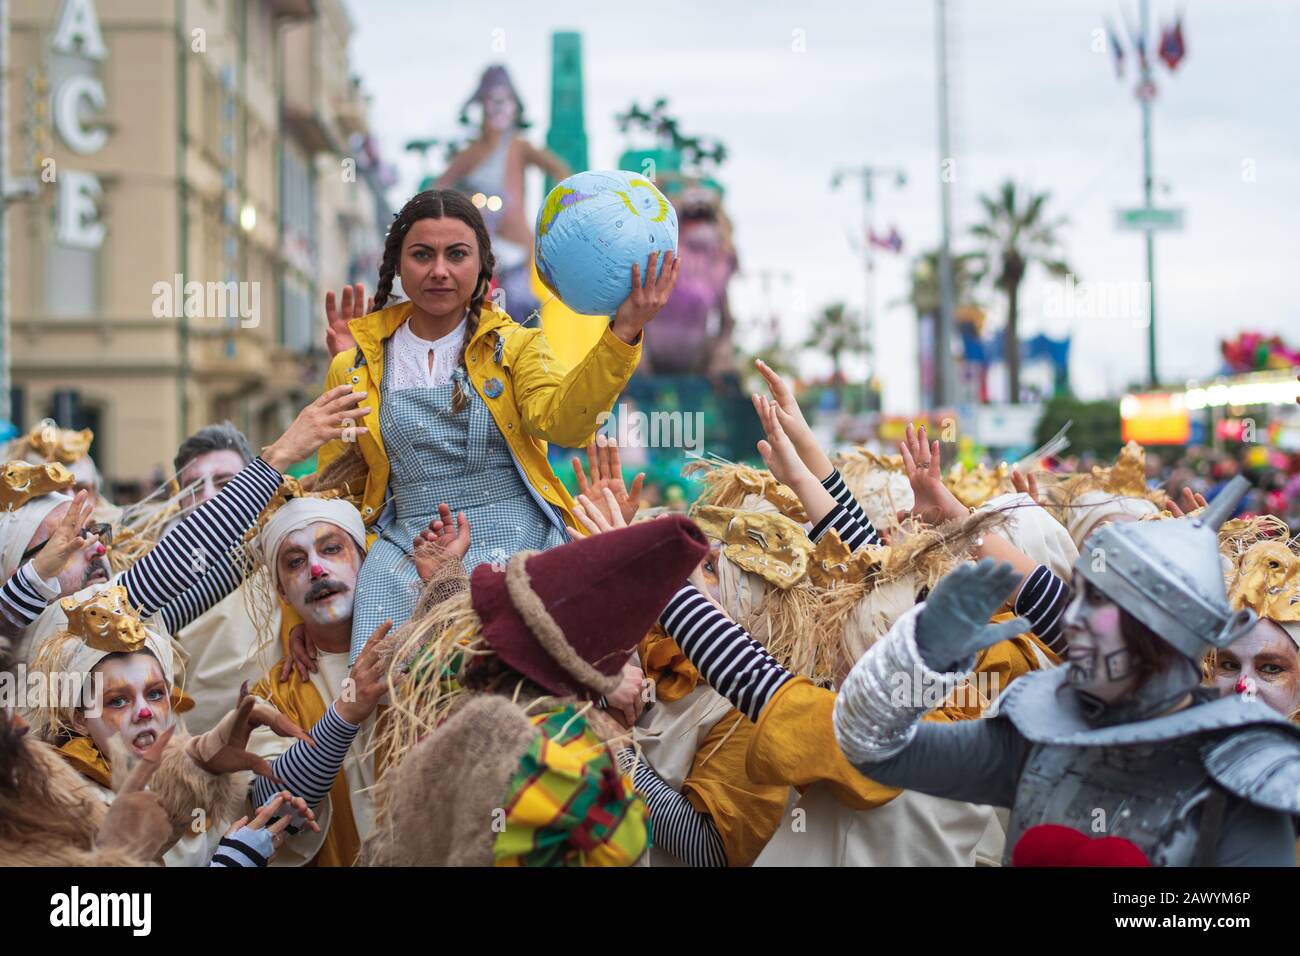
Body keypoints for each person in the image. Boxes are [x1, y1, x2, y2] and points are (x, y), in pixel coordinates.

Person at [834, 477, 1300, 866]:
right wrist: (920, 650)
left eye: (1272, 668)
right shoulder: (1037, 738)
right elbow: (869, 749)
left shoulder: (1254, 783)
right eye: (1078, 599)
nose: (1073, 619)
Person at [317, 188, 678, 663]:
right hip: (405, 558)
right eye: (422, 254)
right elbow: (332, 496)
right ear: (398, 266)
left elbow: (566, 425)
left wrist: (624, 331)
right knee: (386, 697)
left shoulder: (520, 346)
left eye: (457, 254)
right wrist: (318, 627)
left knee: (561, 687)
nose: (439, 270)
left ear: (482, 266)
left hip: (523, 549)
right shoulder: (353, 366)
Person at [363, 513, 708, 866]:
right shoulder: (573, 756)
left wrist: (445, 579)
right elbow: (628, 840)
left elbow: (455, 650)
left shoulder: (461, 693)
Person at [27, 585, 315, 866]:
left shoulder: (195, 773)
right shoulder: (65, 809)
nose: (143, 712)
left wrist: (278, 818)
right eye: (117, 701)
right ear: (80, 719)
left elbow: (231, 836)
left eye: (154, 694)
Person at [240, 489, 401, 866]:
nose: (316, 569)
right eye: (295, 562)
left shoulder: (425, 654)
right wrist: (345, 713)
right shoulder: (274, 694)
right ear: (282, 591)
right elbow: (271, 805)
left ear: (365, 559)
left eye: (331, 550)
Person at [168, 423, 280, 735]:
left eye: (224, 483)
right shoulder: (152, 577)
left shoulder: (283, 562)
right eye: (193, 488)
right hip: (186, 759)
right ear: (178, 502)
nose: (209, 498)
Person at [436, 65, 571, 322]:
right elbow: (440, 185)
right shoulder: (472, 152)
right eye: (491, 101)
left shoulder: (518, 147)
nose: (497, 108)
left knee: (521, 302)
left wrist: (562, 205)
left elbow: (558, 169)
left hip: (513, 243)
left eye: (504, 101)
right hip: (475, 242)